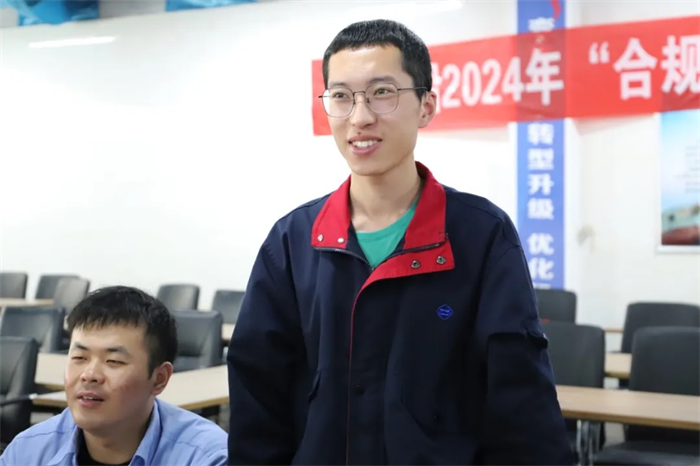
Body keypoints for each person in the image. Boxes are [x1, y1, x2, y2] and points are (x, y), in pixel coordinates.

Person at [227, 19, 573, 465]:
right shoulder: (293, 242)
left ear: (426, 107)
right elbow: (258, 396)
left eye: (382, 92)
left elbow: (521, 403)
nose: (360, 117)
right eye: (341, 96)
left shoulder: (480, 236)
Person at [0, 286, 228, 466]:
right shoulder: (27, 452)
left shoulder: (206, 457)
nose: (89, 375)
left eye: (114, 361)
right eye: (79, 357)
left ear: (159, 379)